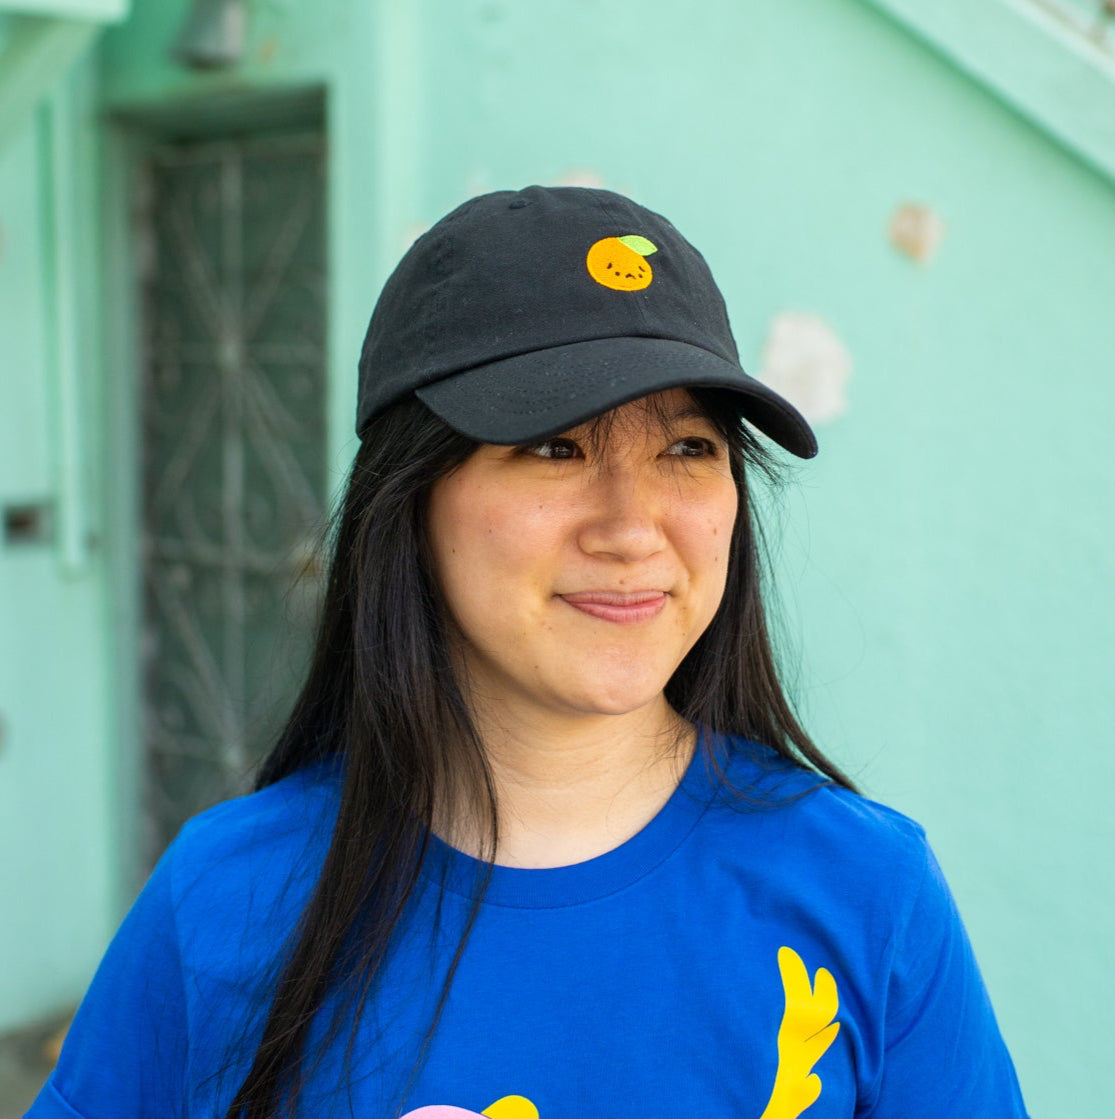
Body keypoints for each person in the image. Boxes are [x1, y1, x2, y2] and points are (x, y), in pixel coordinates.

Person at [27, 186, 1030, 1119]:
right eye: (553, 446)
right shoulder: (228, 897)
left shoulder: (865, 891)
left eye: (686, 449)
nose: (631, 529)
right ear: (409, 501)